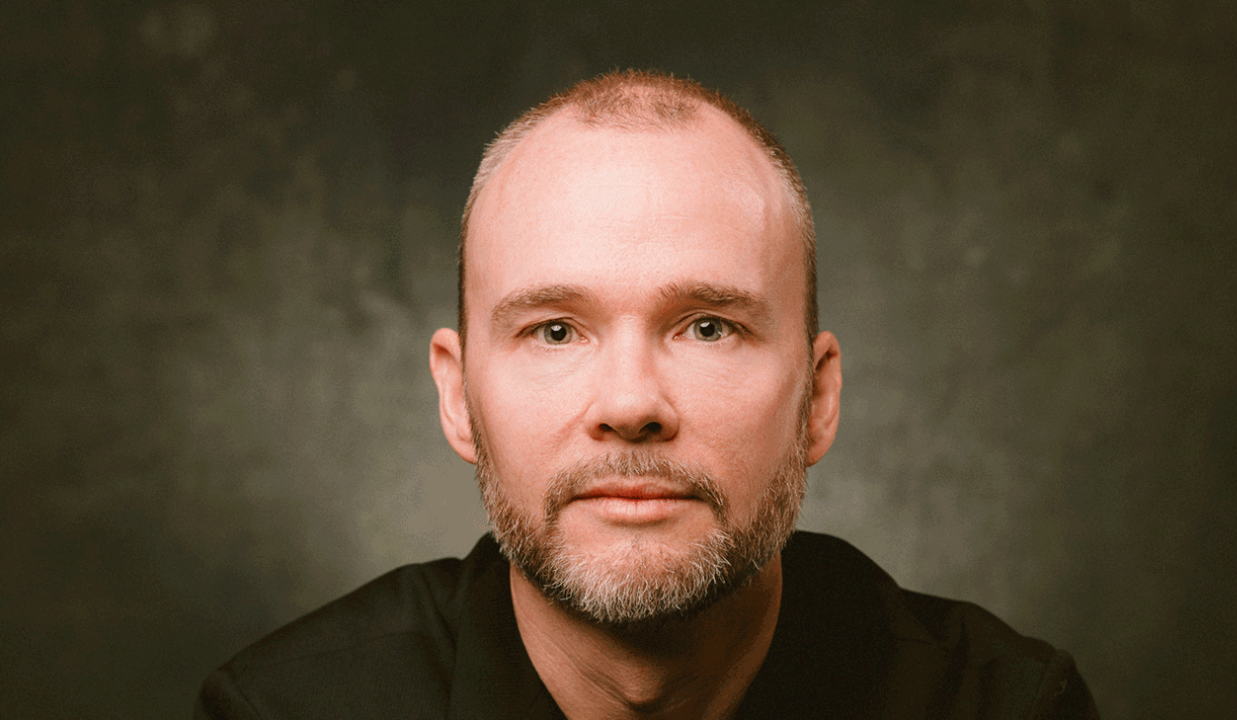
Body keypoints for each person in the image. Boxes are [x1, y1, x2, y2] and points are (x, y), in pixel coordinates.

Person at [196, 70, 1099, 720]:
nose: (631, 403)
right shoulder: (282, 713)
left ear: (817, 399)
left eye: (709, 326)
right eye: (554, 330)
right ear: (458, 397)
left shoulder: (1006, 707)